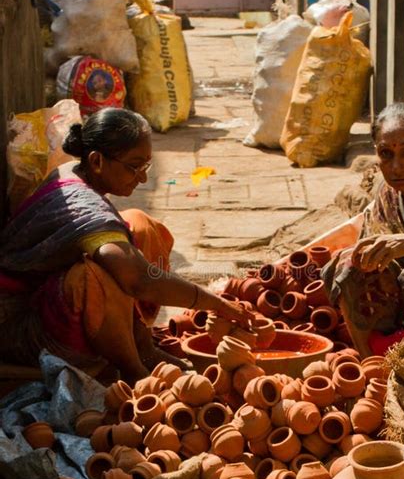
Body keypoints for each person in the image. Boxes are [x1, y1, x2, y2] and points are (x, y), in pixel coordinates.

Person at [0, 109, 252, 382]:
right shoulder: (83, 206)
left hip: (42, 297)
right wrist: (215, 303)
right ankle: (134, 372)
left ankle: (143, 348)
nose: (142, 178)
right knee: (95, 277)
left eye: (146, 166)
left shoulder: (74, 169)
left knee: (139, 224)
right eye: (134, 166)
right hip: (18, 327)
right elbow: (140, 281)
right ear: (96, 161)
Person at [321, 102, 404, 358]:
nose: (397, 167)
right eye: (386, 154)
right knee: (348, 263)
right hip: (399, 303)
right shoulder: (388, 197)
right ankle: (371, 364)